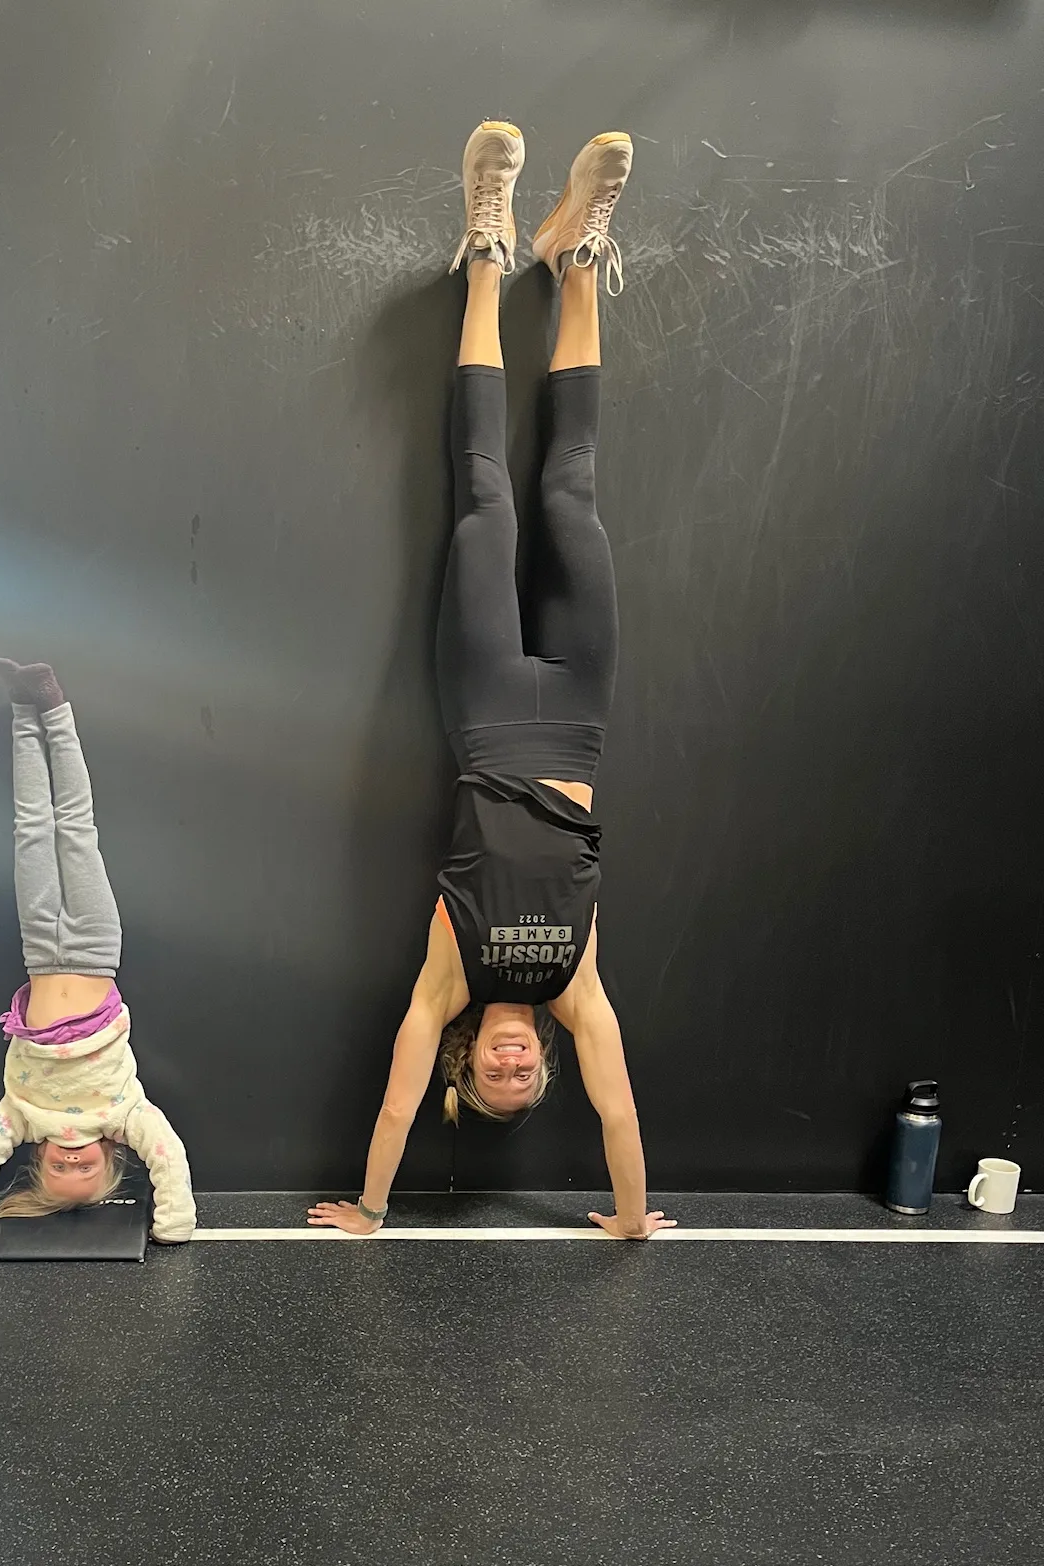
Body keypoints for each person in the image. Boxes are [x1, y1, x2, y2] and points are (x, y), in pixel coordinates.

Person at [309, 123, 673, 1242]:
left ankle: (483, 251)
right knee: (571, 496)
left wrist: (374, 1207)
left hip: (481, 714)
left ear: (476, 1059)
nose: (517, 1064)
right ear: (546, 1062)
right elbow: (620, 1109)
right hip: (576, 721)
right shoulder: (580, 991)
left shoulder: (447, 984)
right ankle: (572, 261)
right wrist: (623, 1215)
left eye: (497, 1077)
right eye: (530, 1078)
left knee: (485, 500)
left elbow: (395, 1097)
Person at [0, 660, 195, 1243]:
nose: (72, 1158)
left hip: (40, 951)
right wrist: (173, 1224)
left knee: (31, 828)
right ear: (108, 1156)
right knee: (75, 827)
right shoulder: (126, 1115)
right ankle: (52, 704)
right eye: (86, 1168)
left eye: (59, 1168)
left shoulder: (18, 1118)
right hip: (95, 948)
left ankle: (23, 711)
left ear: (39, 1161)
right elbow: (169, 1160)